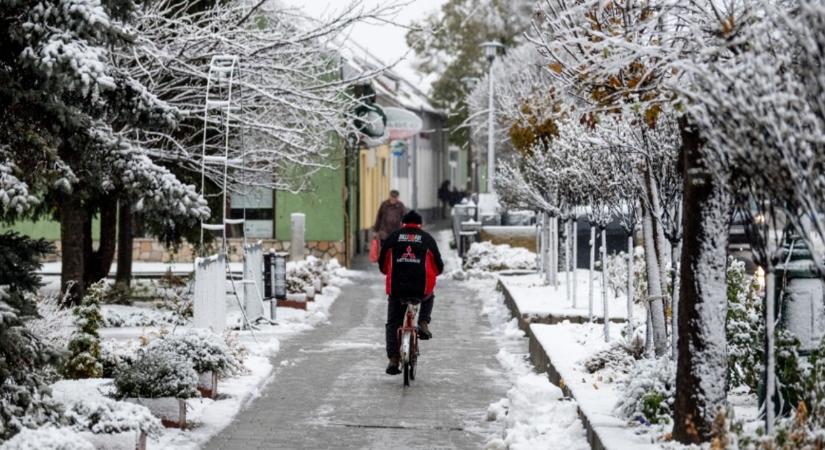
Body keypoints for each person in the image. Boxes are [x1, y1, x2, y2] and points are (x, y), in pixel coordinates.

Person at [378, 210, 444, 375]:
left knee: (393, 323)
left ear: (403, 223)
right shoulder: (427, 239)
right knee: (429, 296)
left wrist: (392, 271)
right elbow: (439, 267)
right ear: (420, 224)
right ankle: (423, 322)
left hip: (397, 289)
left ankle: (393, 359)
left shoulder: (394, 237)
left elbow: (382, 265)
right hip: (420, 290)